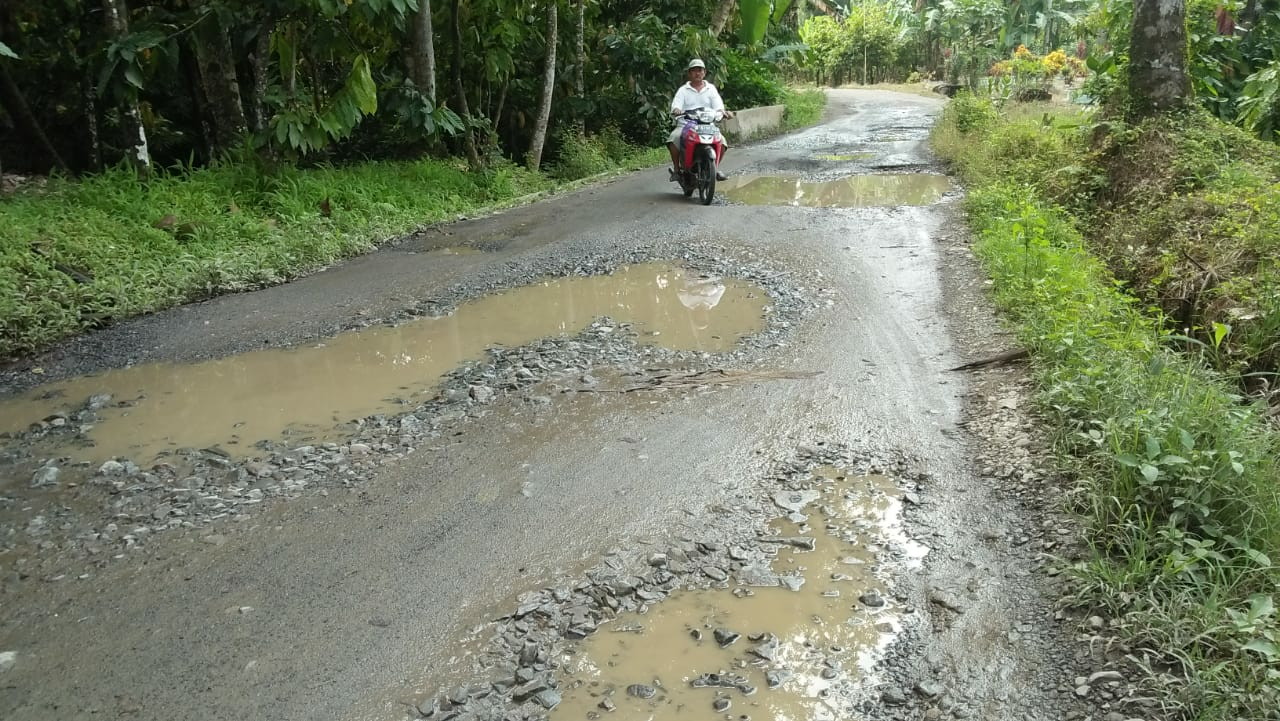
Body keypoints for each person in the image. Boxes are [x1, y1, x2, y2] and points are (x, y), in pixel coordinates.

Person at [668, 58, 734, 182]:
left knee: (723, 142)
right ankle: (677, 170)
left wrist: (723, 113)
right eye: (694, 71)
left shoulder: (711, 89)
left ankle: (714, 168)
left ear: (704, 73)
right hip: (686, 124)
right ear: (689, 74)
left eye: (700, 70)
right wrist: (677, 110)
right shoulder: (683, 90)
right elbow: (676, 106)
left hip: (708, 125)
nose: (697, 73)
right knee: (673, 139)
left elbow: (719, 107)